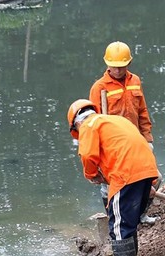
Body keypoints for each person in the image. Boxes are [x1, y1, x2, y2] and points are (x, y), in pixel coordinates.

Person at [67, 99, 159, 256]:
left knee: (119, 228)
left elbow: (88, 155)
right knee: (128, 224)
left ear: (77, 124)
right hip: (147, 170)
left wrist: (91, 174)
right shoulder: (117, 120)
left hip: (125, 175)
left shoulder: (88, 125)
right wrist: (149, 182)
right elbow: (136, 144)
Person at [90, 41, 154, 145]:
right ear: (107, 64)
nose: (117, 70)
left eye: (121, 66)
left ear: (129, 63)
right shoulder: (99, 87)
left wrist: (147, 138)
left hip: (135, 138)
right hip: (113, 142)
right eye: (114, 66)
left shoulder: (135, 81)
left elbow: (142, 111)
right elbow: (93, 122)